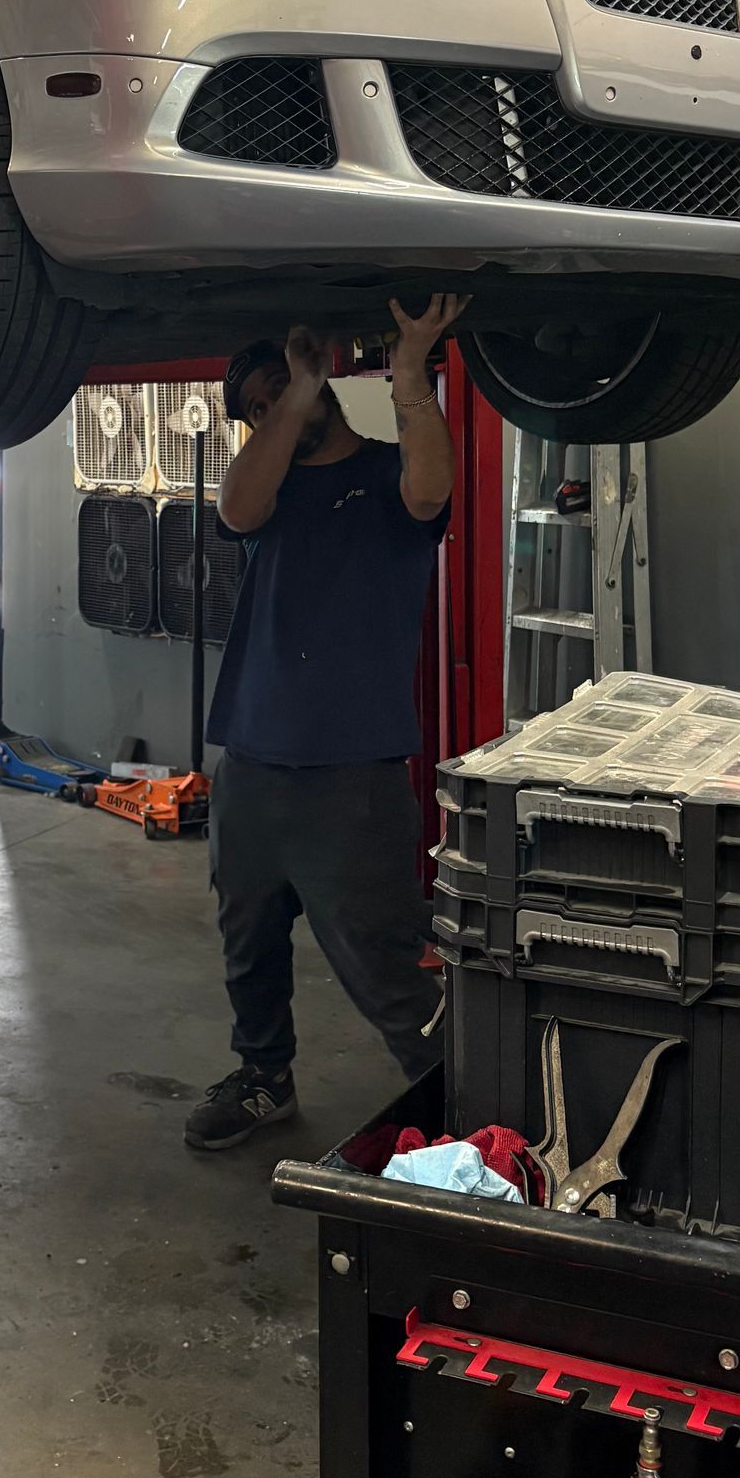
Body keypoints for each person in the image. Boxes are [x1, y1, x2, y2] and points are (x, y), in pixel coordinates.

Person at [184, 295, 467, 1153]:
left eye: (278, 391)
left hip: (354, 778)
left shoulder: (385, 476)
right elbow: (235, 507)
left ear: (326, 384)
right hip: (253, 765)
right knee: (249, 942)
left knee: (388, 970)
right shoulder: (265, 494)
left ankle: (467, 1108)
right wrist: (293, 400)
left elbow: (431, 489)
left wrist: (409, 373)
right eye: (255, 410)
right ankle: (264, 1076)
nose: (272, 413)